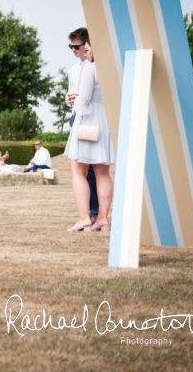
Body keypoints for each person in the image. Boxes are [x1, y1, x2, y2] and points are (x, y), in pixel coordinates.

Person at [64, 41, 115, 232]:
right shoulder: (114, 70)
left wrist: (73, 101)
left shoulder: (90, 68)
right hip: (106, 121)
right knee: (103, 173)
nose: (85, 49)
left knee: (78, 171)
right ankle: (103, 219)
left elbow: (83, 100)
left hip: (88, 122)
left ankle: (84, 218)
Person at [67, 27, 99, 223]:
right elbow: (72, 93)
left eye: (76, 46)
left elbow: (89, 97)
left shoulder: (95, 67)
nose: (73, 50)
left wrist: (79, 98)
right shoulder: (72, 70)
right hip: (75, 117)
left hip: (92, 117)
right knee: (81, 167)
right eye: (70, 46)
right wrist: (68, 99)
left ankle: (95, 212)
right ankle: (86, 212)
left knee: (94, 168)